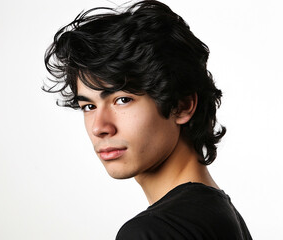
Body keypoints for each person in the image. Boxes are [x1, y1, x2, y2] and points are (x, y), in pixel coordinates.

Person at [44, 0, 252, 239]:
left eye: (122, 100)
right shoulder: (221, 217)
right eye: (89, 106)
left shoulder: (153, 231)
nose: (99, 127)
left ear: (181, 106)